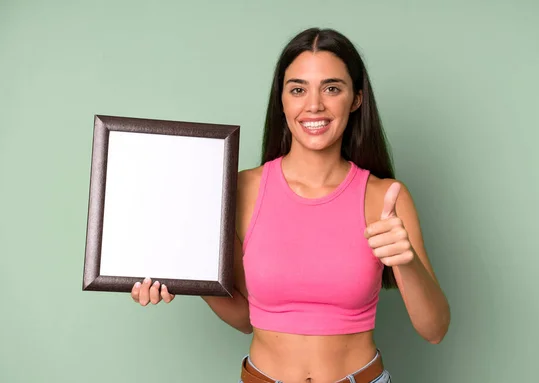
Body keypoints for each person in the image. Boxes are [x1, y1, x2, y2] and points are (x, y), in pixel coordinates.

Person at [131, 27, 450, 383]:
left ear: (356, 99)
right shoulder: (240, 189)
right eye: (298, 89)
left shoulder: (386, 197)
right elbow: (246, 318)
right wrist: (188, 280)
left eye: (332, 88)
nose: (314, 104)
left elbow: (434, 329)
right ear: (282, 101)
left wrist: (405, 262)